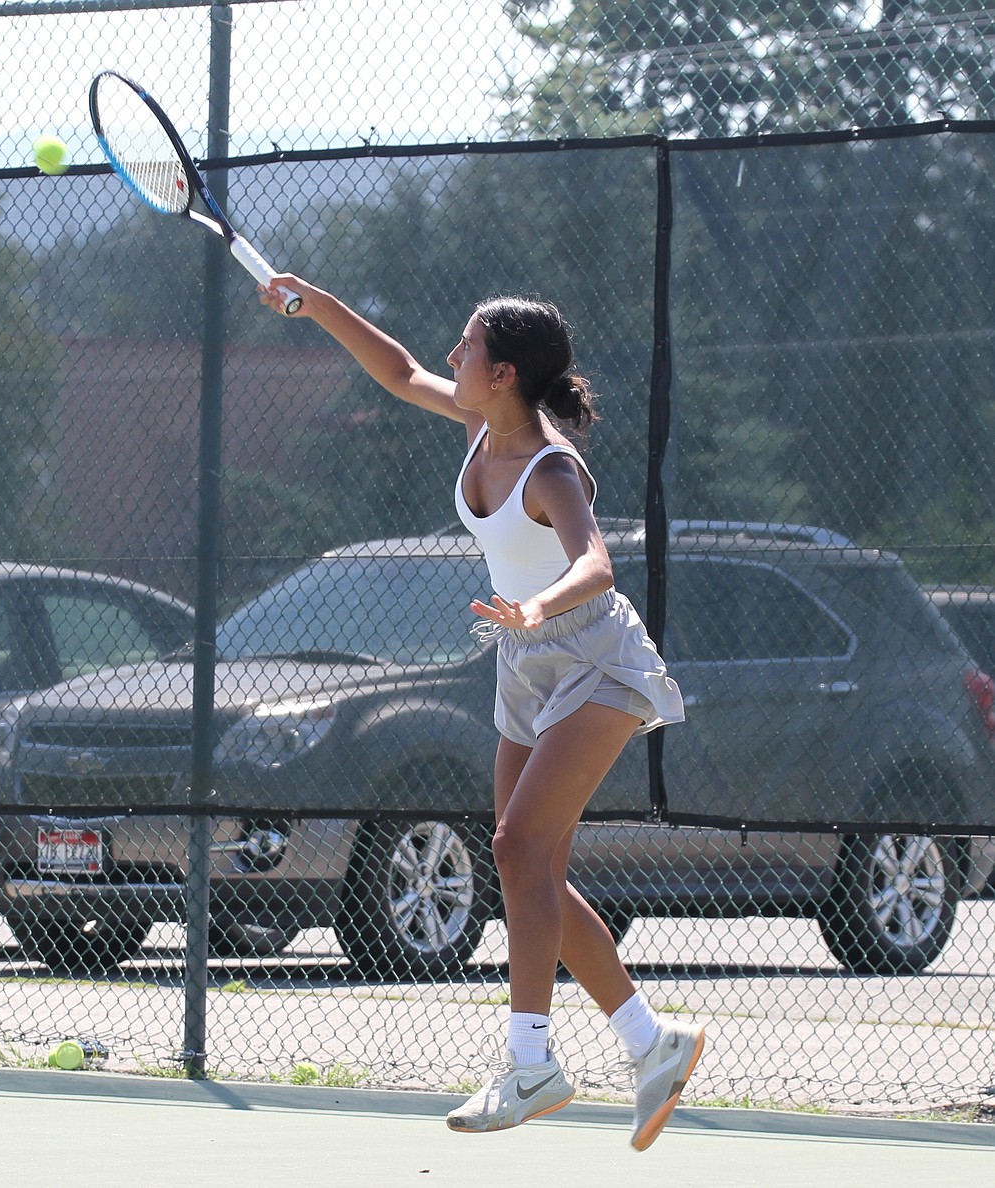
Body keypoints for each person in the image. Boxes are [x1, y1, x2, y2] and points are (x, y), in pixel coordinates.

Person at [259, 276, 704, 1150]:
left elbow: (597, 563)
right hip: (525, 661)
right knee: (529, 868)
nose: (453, 357)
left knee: (512, 848)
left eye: (467, 347)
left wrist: (538, 608)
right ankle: (654, 1043)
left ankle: (530, 1064)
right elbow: (397, 371)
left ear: (502, 374)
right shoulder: (478, 430)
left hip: (592, 655)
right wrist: (314, 302)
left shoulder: (551, 467)